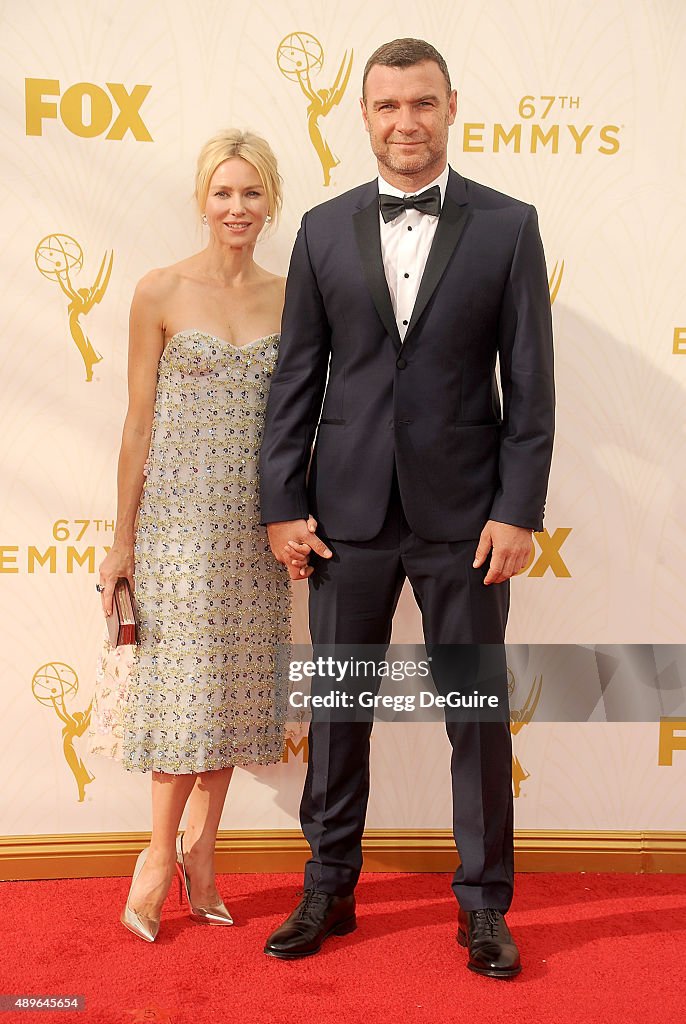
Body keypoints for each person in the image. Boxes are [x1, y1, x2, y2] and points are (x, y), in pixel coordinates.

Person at [259, 39, 555, 978]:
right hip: (343, 516)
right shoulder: (320, 228)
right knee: (341, 709)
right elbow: (298, 378)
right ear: (365, 114)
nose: (405, 123)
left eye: (422, 104)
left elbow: (532, 387)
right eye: (387, 107)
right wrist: (280, 502)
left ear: (451, 106)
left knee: (473, 712)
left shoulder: (509, 227)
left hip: (467, 521)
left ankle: (483, 907)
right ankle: (329, 886)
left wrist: (517, 509)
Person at [93, 129, 308, 943]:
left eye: (251, 193)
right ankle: (157, 855)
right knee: (183, 691)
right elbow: (137, 424)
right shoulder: (158, 291)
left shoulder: (294, 298)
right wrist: (121, 542)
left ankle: (203, 854)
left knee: (234, 691)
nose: (237, 207)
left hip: (256, 528)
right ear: (201, 198)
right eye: (223, 192)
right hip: (177, 527)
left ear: (270, 200)